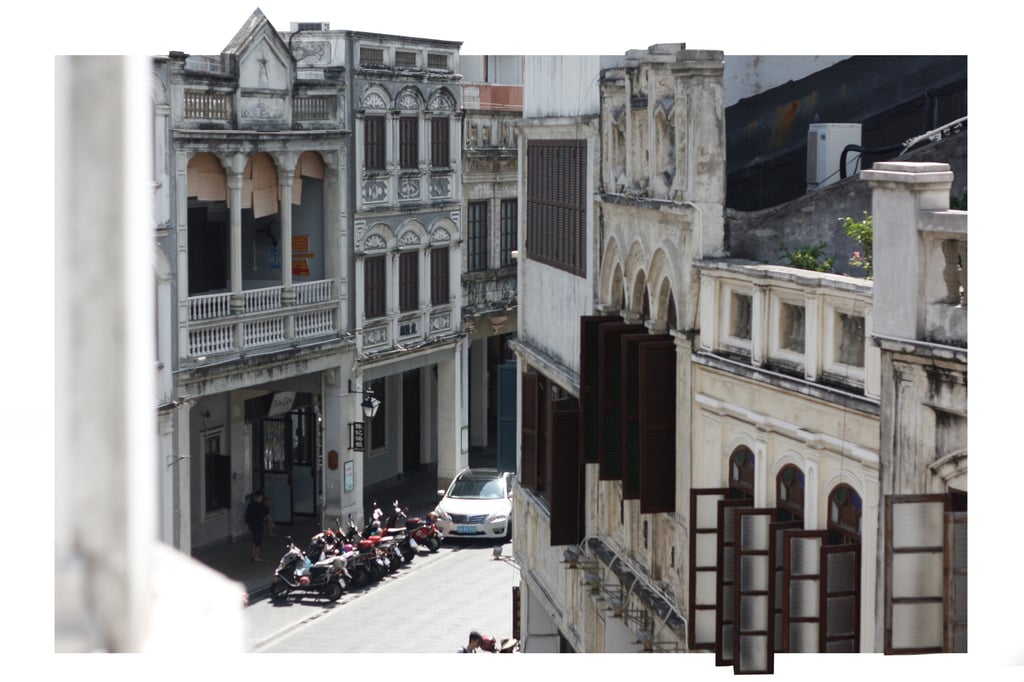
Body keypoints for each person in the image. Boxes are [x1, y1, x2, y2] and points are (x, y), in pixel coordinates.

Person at [245, 491, 269, 562]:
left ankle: (253, 554)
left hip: (252, 525)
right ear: (260, 497)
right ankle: (257, 556)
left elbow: (247, 514)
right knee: (258, 541)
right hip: (258, 524)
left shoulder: (251, 504)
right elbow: (263, 515)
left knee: (255, 539)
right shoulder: (260, 505)